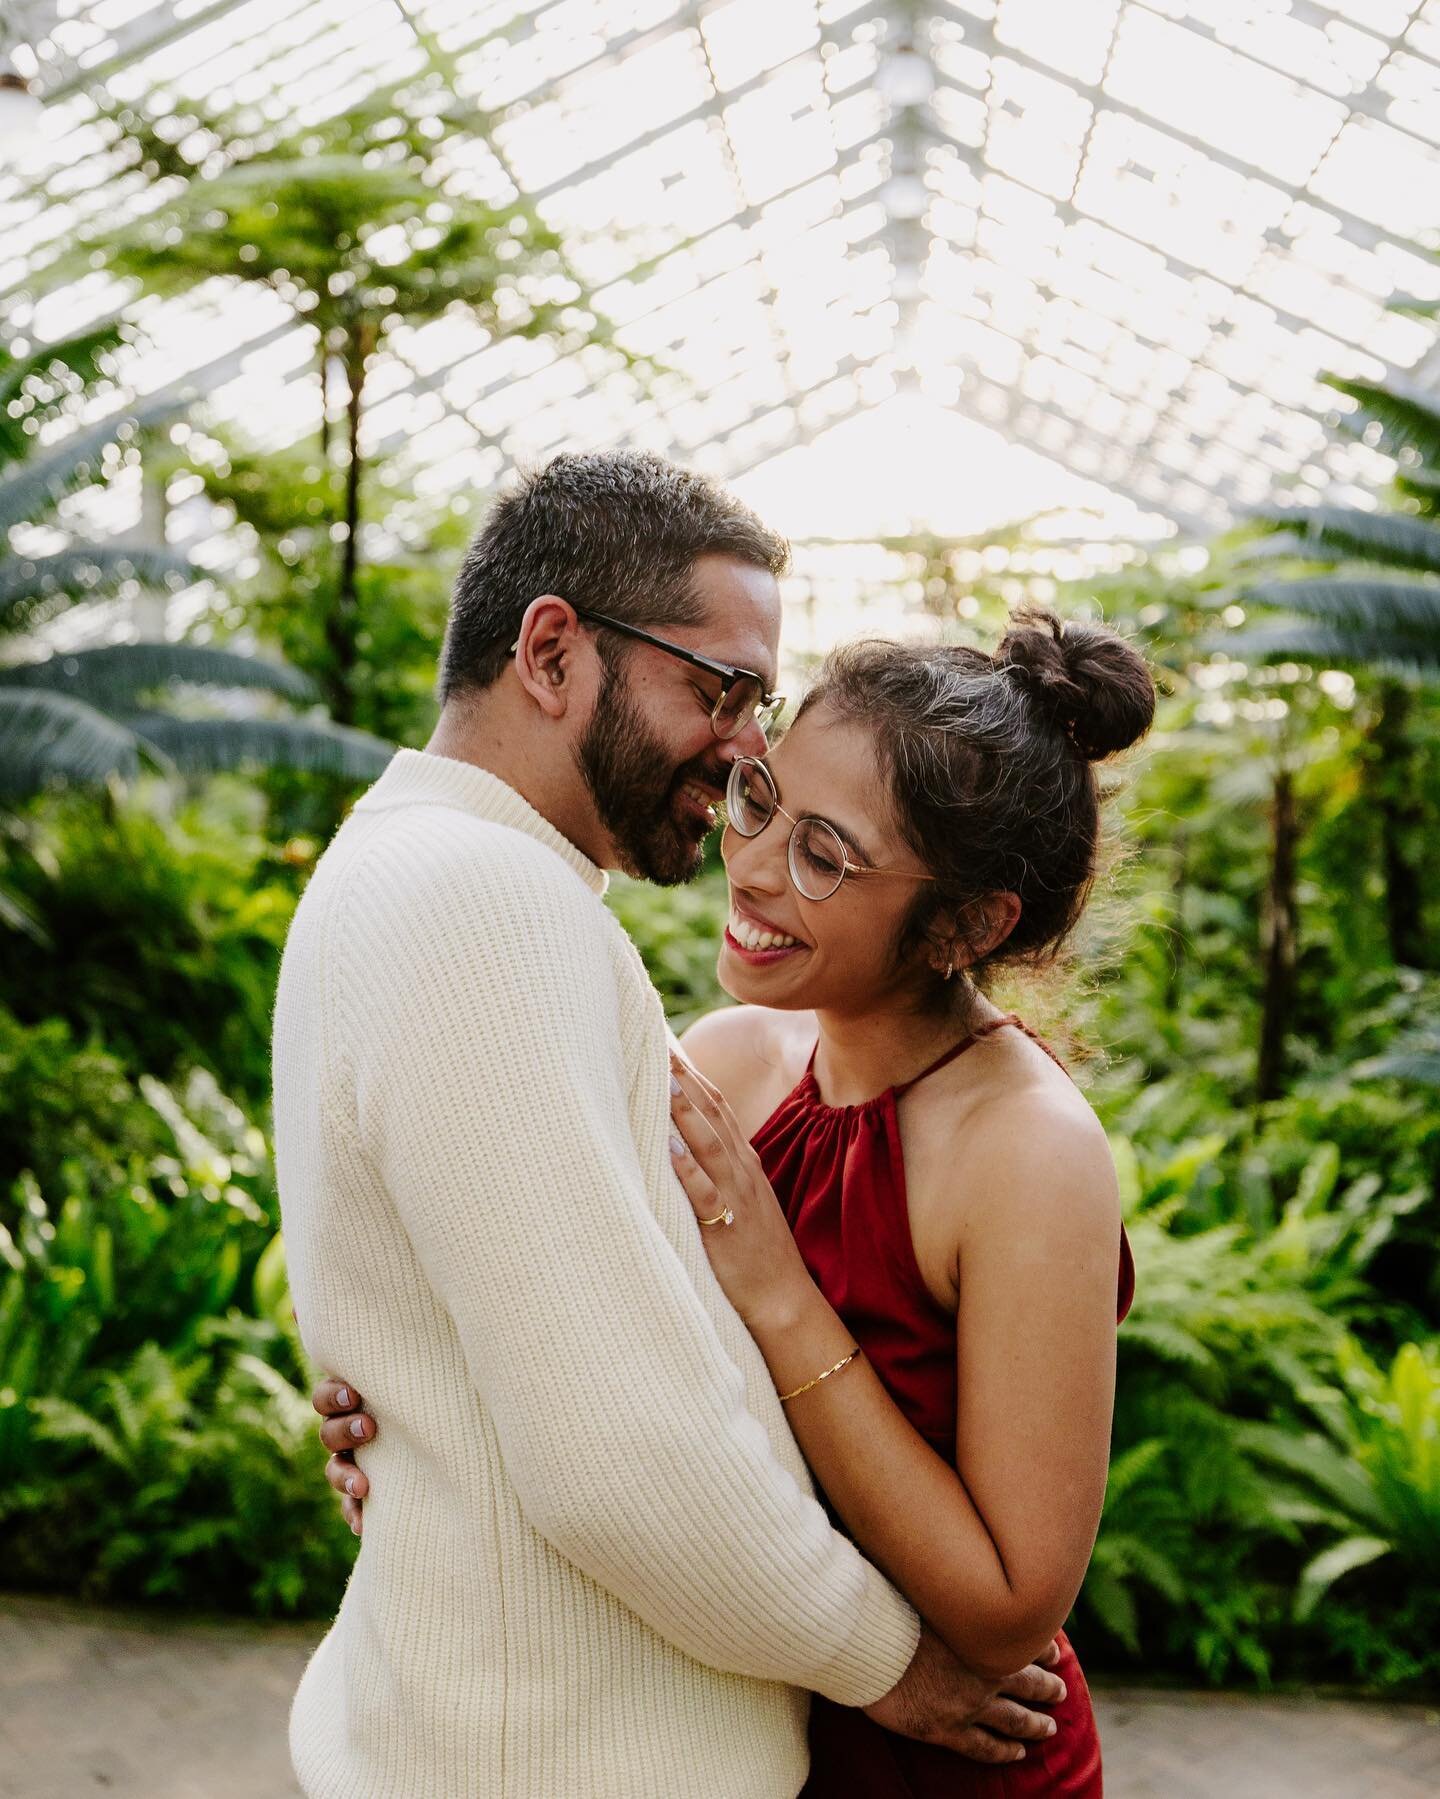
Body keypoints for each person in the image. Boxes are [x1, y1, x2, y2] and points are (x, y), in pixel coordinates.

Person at [274, 448, 1064, 1799]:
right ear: (551, 652)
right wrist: (889, 1663)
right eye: (719, 689)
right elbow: (620, 1454)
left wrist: (418, 1425)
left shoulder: (415, 868)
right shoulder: (485, 906)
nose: (750, 741)